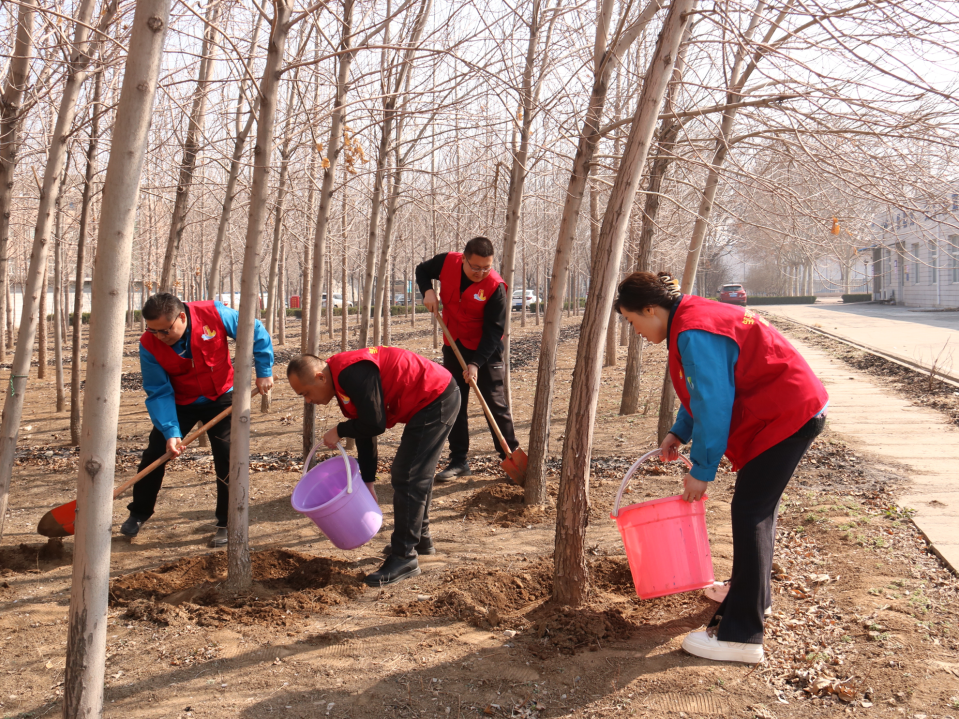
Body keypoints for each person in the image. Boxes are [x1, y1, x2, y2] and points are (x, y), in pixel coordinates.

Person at [615, 271, 828, 664]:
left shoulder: (693, 330)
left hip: (786, 415)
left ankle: (741, 636)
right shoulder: (693, 318)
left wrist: (702, 469)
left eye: (632, 321)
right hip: (786, 410)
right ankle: (754, 596)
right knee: (755, 510)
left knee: (750, 512)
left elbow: (714, 402)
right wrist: (680, 431)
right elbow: (702, 390)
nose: (636, 332)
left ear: (650, 309)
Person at [286, 347, 459, 586]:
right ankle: (419, 540)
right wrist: (368, 480)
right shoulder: (341, 381)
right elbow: (365, 428)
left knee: (408, 474)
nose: (308, 400)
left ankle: (404, 557)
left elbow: (374, 423)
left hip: (436, 395)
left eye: (306, 393)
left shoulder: (352, 373)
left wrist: (340, 430)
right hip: (427, 400)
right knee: (414, 473)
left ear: (320, 377)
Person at [122, 293, 274, 547]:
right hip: (180, 402)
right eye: (153, 330)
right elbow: (158, 390)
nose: (160, 337)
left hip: (222, 396)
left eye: (165, 331)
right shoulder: (149, 344)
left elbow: (254, 330)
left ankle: (227, 522)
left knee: (227, 455)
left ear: (181, 317)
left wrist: (264, 370)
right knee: (155, 452)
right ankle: (139, 512)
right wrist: (171, 431)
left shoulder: (214, 314)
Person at [416, 236, 519, 482]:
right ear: (463, 259)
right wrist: (427, 290)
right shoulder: (446, 263)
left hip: (486, 349)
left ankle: (511, 457)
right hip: (454, 343)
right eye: (476, 267)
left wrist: (476, 363)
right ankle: (459, 461)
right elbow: (422, 270)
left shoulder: (495, 287)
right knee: (455, 401)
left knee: (494, 403)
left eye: (487, 267)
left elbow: (494, 331)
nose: (481, 273)